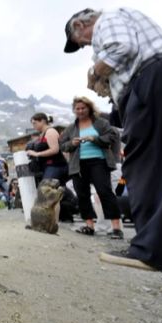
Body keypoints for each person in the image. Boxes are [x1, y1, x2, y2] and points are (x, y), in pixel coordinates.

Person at [64, 7, 162, 272]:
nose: (86, 45)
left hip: (152, 81)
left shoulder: (108, 20)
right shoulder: (131, 19)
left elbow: (122, 46)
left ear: (81, 25)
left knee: (147, 164)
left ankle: (148, 251)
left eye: (80, 41)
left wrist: (96, 72)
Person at [59, 96, 124, 239]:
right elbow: (62, 145)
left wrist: (95, 139)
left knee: (105, 192)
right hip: (78, 164)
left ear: (89, 108)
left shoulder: (101, 123)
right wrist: (72, 144)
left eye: (83, 108)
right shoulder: (70, 128)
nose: (80, 111)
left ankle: (116, 228)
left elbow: (112, 137)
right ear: (74, 110)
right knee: (82, 195)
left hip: (99, 162)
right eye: (78, 108)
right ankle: (89, 226)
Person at [24, 113, 68, 186]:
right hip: (48, 166)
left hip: (56, 165)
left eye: (35, 123)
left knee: (46, 188)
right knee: (57, 190)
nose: (34, 126)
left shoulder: (50, 131)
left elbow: (55, 149)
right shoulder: (43, 134)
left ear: (43, 121)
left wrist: (37, 154)